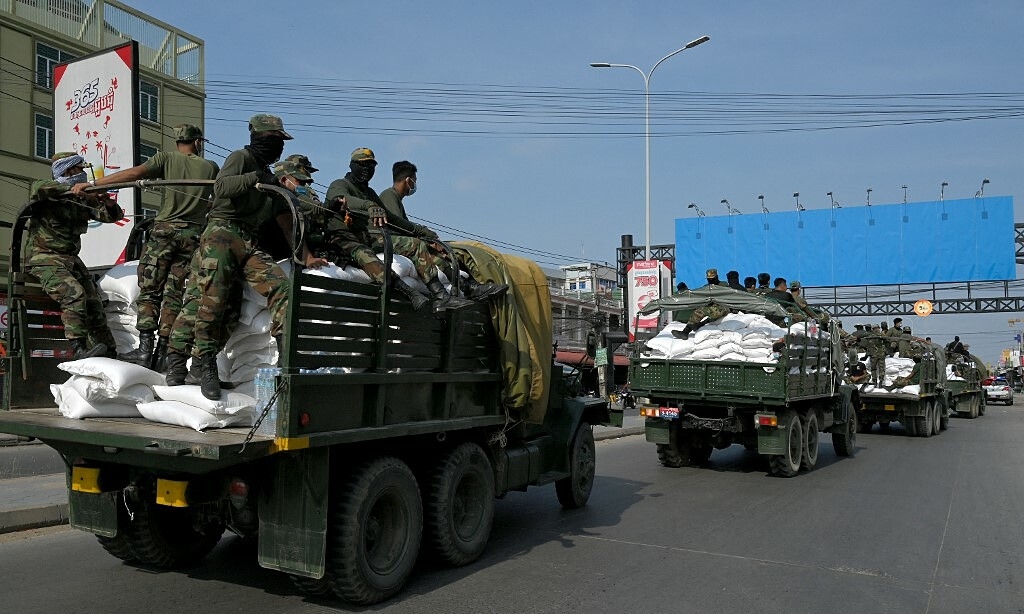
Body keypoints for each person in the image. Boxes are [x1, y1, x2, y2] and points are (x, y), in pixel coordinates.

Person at [164, 114, 326, 399]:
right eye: (275, 140)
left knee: (281, 286)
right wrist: (255, 178)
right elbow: (221, 187)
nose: (279, 147)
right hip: (222, 233)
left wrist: (308, 249)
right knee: (212, 301)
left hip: (248, 240)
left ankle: (288, 357)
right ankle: (202, 364)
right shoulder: (242, 158)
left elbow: (288, 216)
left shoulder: (270, 176)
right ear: (261, 138)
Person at [73, 124, 219, 370]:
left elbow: (134, 173)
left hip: (164, 233)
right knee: (174, 294)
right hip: (193, 236)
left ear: (177, 142)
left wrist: (96, 184)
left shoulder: (166, 159)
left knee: (150, 291)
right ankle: (163, 351)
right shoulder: (210, 168)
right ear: (197, 142)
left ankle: (144, 351)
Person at [325, 148, 474, 312]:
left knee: (423, 245)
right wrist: (369, 206)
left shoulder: (369, 193)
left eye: (371, 165)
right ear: (352, 165)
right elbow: (341, 199)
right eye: (362, 165)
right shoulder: (340, 184)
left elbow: (393, 220)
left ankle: (455, 290)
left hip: (368, 238)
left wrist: (423, 231)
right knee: (412, 246)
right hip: (346, 239)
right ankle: (432, 295)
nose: (367, 169)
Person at [277, 160, 432, 309]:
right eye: (301, 182)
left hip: (333, 243)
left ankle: (424, 292)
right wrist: (308, 256)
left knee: (370, 255)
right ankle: (407, 291)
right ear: (284, 180)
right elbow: (313, 214)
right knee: (365, 256)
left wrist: (421, 231)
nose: (305, 186)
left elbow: (389, 217)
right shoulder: (287, 197)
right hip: (333, 241)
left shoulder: (368, 192)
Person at [26, 152, 125, 360]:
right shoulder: (48, 190)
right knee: (74, 295)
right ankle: (78, 349)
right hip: (45, 258)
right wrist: (75, 190)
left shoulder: (83, 198)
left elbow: (112, 216)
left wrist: (105, 200)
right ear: (69, 170)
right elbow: (39, 188)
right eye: (80, 169)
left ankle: (109, 350)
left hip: (70, 260)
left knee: (94, 303)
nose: (83, 174)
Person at [378, 160, 505, 300]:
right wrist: (425, 236)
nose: (414, 185)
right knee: (421, 246)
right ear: (408, 180)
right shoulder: (389, 195)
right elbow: (399, 227)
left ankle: (466, 285)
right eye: (414, 180)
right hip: (385, 240)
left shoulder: (394, 198)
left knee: (435, 252)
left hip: (395, 240)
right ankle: (442, 294)